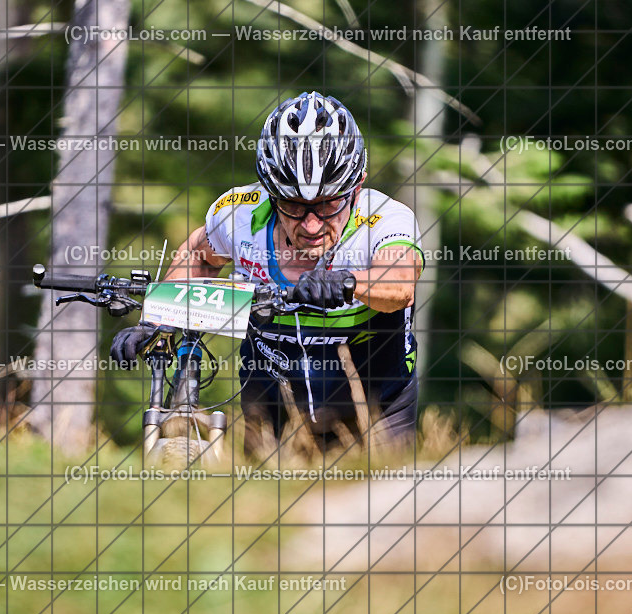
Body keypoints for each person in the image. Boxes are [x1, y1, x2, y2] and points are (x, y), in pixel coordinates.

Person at [110, 91, 424, 459]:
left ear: (357, 187)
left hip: (376, 408)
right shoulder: (239, 215)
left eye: (327, 204)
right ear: (270, 191)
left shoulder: (385, 218)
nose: (310, 223)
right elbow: (198, 254)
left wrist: (349, 282)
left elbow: (400, 285)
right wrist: (156, 317)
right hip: (272, 407)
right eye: (292, 204)